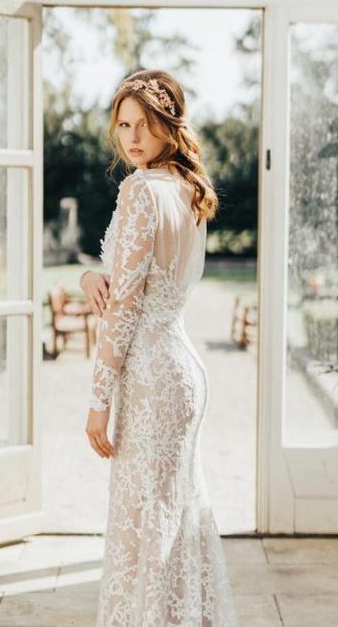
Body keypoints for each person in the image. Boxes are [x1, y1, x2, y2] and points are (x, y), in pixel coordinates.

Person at [80, 69, 237, 625]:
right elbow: (140, 282)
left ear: (169, 126)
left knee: (145, 520)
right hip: (182, 367)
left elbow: (125, 307)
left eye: (144, 124)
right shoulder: (186, 189)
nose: (132, 137)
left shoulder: (141, 190)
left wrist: (99, 398)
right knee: (174, 512)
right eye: (123, 125)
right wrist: (89, 278)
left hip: (151, 375)